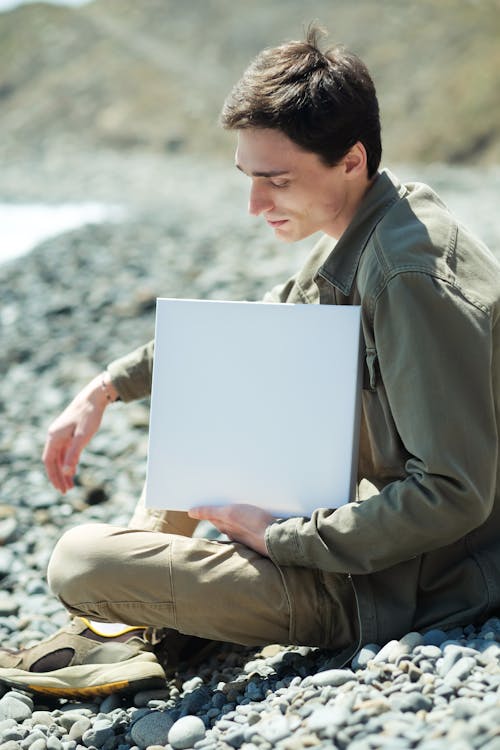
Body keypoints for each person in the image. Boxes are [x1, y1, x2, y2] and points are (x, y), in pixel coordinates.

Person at [1, 26, 499, 700]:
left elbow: (455, 493)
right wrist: (108, 386)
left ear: (350, 160)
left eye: (276, 181)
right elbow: (242, 338)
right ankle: (130, 630)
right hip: (357, 540)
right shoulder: (369, 225)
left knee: (80, 560)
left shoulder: (407, 278)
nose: (254, 206)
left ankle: (124, 626)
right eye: (248, 178)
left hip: (397, 585)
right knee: (199, 420)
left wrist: (284, 538)